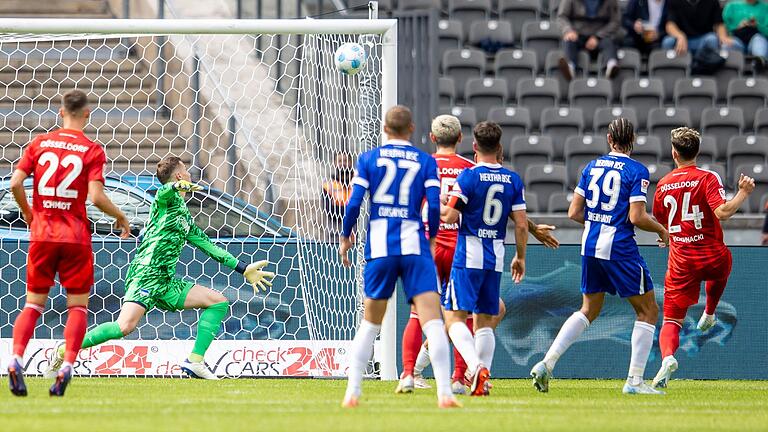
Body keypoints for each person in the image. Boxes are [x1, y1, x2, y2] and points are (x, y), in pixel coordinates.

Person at [44, 156, 275, 381]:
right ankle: (65, 350)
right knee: (124, 326)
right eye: (185, 170)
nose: (189, 173)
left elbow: (209, 247)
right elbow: (164, 192)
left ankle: (195, 361)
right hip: (146, 275)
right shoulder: (163, 203)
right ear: (179, 175)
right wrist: (178, 187)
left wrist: (243, 268)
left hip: (166, 282)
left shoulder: (184, 217)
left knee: (218, 302)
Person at [398, 115, 559, 396]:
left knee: (431, 315)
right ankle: (466, 376)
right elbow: (517, 219)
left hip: (442, 247)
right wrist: (528, 241)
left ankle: (413, 374)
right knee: (485, 316)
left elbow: (434, 209)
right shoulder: (494, 174)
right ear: (461, 140)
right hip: (491, 254)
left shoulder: (439, 170)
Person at [530, 118, 669, 395]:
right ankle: (635, 381)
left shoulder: (591, 167)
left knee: (588, 309)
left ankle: (547, 363)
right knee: (648, 310)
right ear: (634, 139)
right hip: (619, 247)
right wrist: (662, 230)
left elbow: (573, 213)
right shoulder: (637, 171)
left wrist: (600, 222)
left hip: (590, 245)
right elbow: (637, 217)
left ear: (609, 139)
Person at [7, 89, 132, 397]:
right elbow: (96, 196)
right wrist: (120, 217)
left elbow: (14, 182)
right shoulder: (92, 150)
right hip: (75, 237)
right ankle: (66, 367)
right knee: (77, 307)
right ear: (87, 113)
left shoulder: (39, 143)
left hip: (43, 234)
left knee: (33, 304)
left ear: (61, 112)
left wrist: (28, 213)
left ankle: (16, 359)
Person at [339, 106, 460, 409]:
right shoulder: (424, 161)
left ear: (384, 128)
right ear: (412, 129)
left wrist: (345, 236)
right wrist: (431, 240)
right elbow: (433, 205)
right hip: (414, 245)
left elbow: (354, 203)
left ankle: (352, 393)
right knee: (432, 320)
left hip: (381, 245)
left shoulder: (369, 159)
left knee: (370, 322)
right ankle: (444, 393)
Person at [651, 127, 755, 388]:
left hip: (681, 261)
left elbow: (663, 222)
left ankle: (667, 358)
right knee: (724, 264)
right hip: (710, 254)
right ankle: (709, 312)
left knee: (671, 320)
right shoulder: (708, 177)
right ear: (697, 151)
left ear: (674, 154)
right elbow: (721, 212)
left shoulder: (663, 185)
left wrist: (667, 236)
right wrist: (743, 192)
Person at [439, 121, 529, 397]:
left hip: (468, 255)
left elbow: (450, 217)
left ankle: (476, 367)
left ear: (475, 147)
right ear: (500, 148)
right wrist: (521, 257)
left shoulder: (468, 177)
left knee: (453, 318)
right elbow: (522, 225)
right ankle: (484, 381)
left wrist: (439, 202)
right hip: (496, 257)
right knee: (485, 319)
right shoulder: (513, 180)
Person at [557, 0, 622, 81]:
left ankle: (611, 65)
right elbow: (562, 16)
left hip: (601, 35)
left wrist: (597, 37)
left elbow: (615, 21)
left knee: (609, 42)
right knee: (569, 41)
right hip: (577, 34)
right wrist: (568, 30)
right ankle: (570, 67)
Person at [663, 0, 739, 56]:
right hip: (682, 41)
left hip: (703, 40)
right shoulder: (674, 1)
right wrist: (680, 36)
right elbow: (670, 24)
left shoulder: (712, 1)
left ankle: (703, 69)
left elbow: (719, 23)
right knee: (668, 42)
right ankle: (674, 72)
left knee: (712, 39)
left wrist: (723, 36)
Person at [723, 0, 768, 69]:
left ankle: (759, 64)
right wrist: (738, 27)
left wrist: (758, 26)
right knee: (727, 45)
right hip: (736, 40)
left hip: (757, 38)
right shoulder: (731, 6)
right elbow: (722, 28)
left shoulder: (765, 8)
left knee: (759, 41)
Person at [322, 152, 354, 238]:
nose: (343, 163)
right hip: (335, 230)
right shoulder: (328, 185)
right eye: (340, 161)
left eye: (346, 160)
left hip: (356, 229)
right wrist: (352, 210)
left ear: (351, 162)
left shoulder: (357, 182)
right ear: (334, 163)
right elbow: (330, 210)